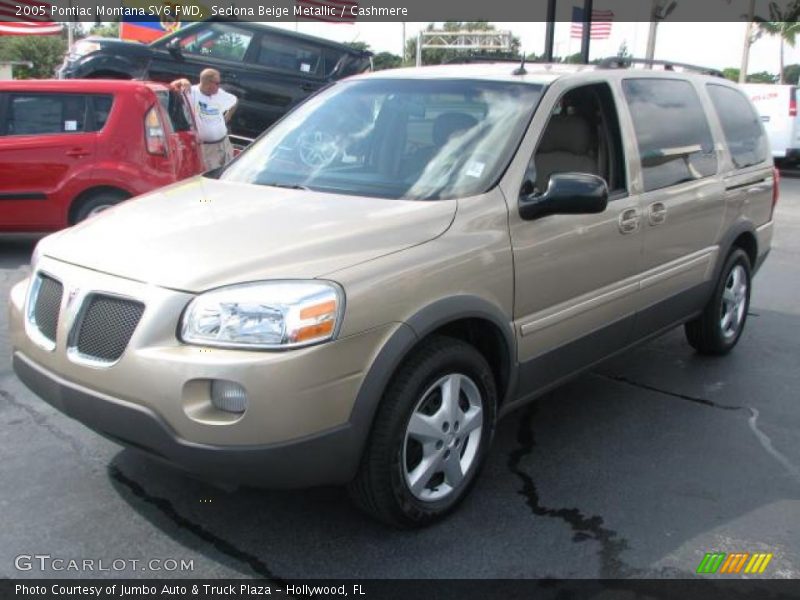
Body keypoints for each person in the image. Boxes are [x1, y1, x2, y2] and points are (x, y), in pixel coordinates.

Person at [171, 68, 237, 170]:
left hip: (224, 144)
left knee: (230, 172)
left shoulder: (220, 94)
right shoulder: (191, 92)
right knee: (212, 175)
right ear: (208, 83)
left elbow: (235, 101)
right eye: (217, 83)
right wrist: (182, 81)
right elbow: (171, 88)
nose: (219, 86)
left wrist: (227, 117)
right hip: (207, 147)